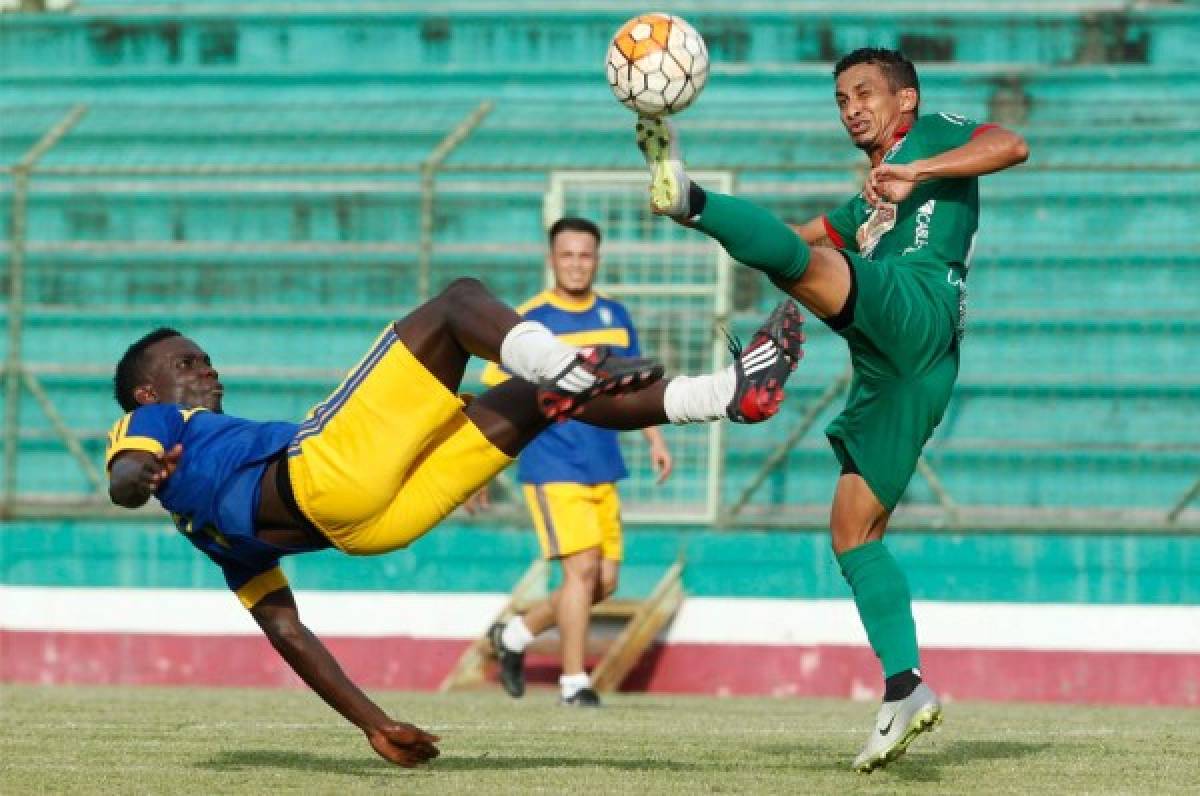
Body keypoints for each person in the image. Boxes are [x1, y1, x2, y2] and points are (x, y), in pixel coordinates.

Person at [105, 277, 804, 767]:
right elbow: (123, 479)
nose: (207, 369)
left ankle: (730, 395)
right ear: (146, 392)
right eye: (186, 363)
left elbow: (286, 629)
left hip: (371, 529)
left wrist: (374, 725)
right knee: (459, 301)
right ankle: (568, 367)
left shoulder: (199, 522)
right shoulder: (157, 422)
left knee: (535, 401)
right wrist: (140, 475)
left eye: (206, 359)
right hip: (325, 471)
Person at [633, 48, 1029, 772]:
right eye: (842, 98)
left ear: (904, 99)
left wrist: (918, 171)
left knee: (803, 266)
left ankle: (688, 195)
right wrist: (745, 250)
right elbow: (806, 237)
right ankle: (905, 687)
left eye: (865, 93)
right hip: (901, 369)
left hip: (920, 304)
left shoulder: (935, 133)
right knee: (852, 530)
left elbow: (1012, 145)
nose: (852, 107)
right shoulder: (870, 198)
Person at [478, 217, 672, 708]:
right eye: (567, 255)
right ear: (551, 259)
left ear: (597, 259)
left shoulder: (614, 314)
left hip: (603, 462)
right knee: (581, 573)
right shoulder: (528, 321)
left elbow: (637, 386)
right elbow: (495, 389)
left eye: (585, 255)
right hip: (551, 463)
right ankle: (573, 683)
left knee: (603, 583)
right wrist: (483, 466)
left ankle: (517, 635)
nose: (576, 263)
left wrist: (654, 438)